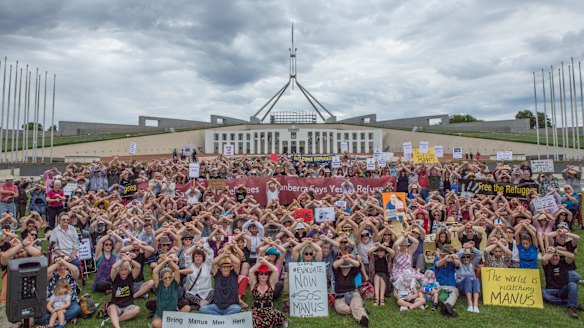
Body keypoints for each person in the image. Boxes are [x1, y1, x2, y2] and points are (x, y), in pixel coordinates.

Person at [101, 255, 141, 327]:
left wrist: (130, 260)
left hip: (128, 306)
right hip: (116, 305)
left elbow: (138, 267)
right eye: (121, 270)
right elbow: (113, 267)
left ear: (128, 270)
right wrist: (122, 260)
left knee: (137, 309)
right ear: (118, 271)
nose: (124, 272)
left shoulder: (131, 276)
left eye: (125, 270)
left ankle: (114, 320)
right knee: (112, 308)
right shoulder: (115, 277)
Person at [541, 246, 581, 319]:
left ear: (559, 256)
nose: (554, 258)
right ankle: (570, 303)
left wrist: (557, 251)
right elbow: (543, 259)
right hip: (551, 290)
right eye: (552, 256)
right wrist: (551, 252)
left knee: (572, 285)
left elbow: (572, 256)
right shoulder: (547, 265)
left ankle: (571, 309)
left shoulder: (563, 262)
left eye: (556, 256)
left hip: (563, 290)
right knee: (543, 293)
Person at [249, 258, 288, 328]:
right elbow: (251, 271)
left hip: (269, 311)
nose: (263, 275)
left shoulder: (271, 284)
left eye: (266, 274)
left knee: (270, 320)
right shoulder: (254, 284)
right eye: (261, 274)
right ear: (258, 276)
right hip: (256, 311)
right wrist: (260, 263)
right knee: (254, 321)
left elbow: (275, 270)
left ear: (268, 276)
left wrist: (265, 262)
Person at [332, 255, 369, 327]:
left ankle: (363, 318)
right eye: (344, 267)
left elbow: (359, 265)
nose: (346, 269)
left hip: (353, 293)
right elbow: (334, 265)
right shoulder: (337, 272)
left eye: (348, 267)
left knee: (356, 305)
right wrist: (343, 259)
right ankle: (359, 309)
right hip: (340, 296)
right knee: (341, 309)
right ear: (341, 267)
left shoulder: (353, 272)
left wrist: (349, 260)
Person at [151, 256, 182, 328]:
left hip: (173, 315)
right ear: (162, 278)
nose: (168, 279)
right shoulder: (159, 286)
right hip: (160, 315)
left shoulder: (175, 284)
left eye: (170, 277)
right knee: (156, 324)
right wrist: (165, 261)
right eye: (165, 278)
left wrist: (169, 260)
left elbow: (177, 269)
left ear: (172, 277)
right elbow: (155, 271)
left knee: (186, 308)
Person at [434, 245, 460, 317]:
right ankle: (448, 308)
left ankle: (447, 305)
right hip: (440, 286)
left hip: (451, 286)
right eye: (442, 254)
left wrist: (453, 259)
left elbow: (458, 264)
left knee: (454, 293)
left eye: (444, 254)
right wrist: (444, 259)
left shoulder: (452, 261)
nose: (442, 255)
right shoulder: (437, 259)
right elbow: (437, 265)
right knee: (441, 296)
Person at [456, 244, 482, 313]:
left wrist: (471, 247)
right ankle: (470, 304)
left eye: (467, 256)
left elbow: (479, 255)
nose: (466, 258)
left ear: (470, 258)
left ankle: (475, 305)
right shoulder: (459, 264)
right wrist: (464, 248)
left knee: (476, 279)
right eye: (464, 257)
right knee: (468, 279)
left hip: (471, 284)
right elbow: (456, 256)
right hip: (461, 285)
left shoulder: (472, 264)